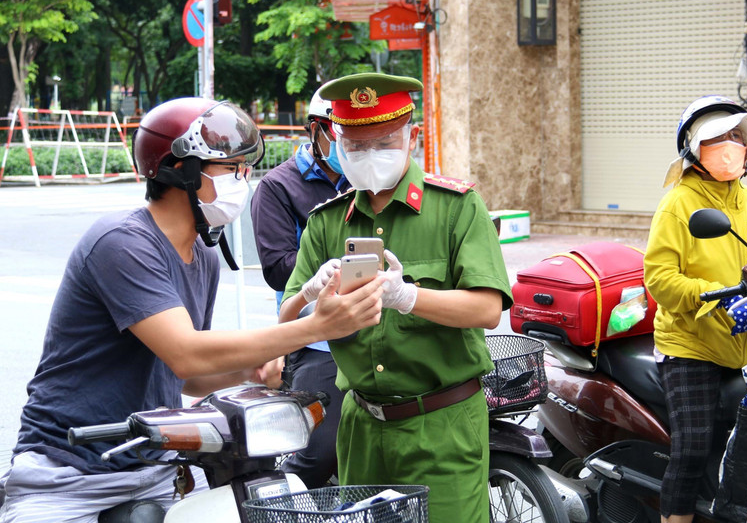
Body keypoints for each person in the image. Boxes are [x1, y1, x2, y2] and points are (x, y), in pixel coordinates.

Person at [0, 97, 383, 523]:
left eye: (244, 168)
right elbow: (188, 351)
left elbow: (184, 374)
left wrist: (249, 372)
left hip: (158, 470)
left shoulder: (202, 256)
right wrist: (314, 327)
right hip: (69, 475)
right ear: (181, 170)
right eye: (231, 168)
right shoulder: (122, 243)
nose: (243, 179)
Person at [279, 72, 511, 523]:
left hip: (442, 425)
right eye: (355, 145)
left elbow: (487, 309)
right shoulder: (327, 223)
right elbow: (287, 325)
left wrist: (407, 297)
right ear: (336, 142)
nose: (369, 156)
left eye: (383, 142)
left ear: (412, 136)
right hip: (361, 426)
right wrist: (310, 292)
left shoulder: (456, 208)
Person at [644, 95, 747, 523]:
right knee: (694, 447)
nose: (729, 144)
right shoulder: (678, 203)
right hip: (691, 344)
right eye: (717, 137)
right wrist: (717, 297)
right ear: (694, 149)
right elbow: (660, 279)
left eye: (736, 136)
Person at [250, 90, 350, 488]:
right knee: (321, 449)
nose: (352, 148)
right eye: (341, 136)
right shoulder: (278, 188)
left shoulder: (372, 180)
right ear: (316, 130)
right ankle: (283, 502)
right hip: (313, 337)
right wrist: (325, 268)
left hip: (378, 323)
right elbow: (277, 268)